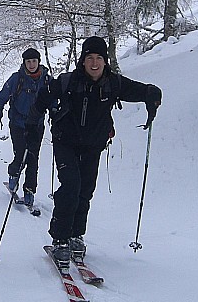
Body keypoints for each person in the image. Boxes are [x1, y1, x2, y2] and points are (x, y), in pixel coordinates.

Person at [26, 36, 162, 269]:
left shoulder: (113, 83)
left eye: (99, 58)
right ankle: (60, 239)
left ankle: (76, 235)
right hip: (66, 142)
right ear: (83, 60)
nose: (95, 63)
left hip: (93, 145)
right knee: (71, 186)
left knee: (85, 190)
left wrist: (152, 94)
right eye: (90, 58)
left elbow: (138, 90)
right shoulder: (68, 81)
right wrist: (33, 121)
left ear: (105, 60)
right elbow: (43, 98)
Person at [0, 48, 52, 207]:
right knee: (21, 154)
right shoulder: (17, 79)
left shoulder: (46, 80)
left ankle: (29, 191)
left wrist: (56, 112)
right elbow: (3, 95)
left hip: (36, 125)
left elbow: (54, 99)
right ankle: (13, 175)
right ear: (24, 63)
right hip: (18, 123)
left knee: (33, 158)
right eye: (28, 61)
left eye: (34, 61)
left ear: (39, 62)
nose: (31, 64)